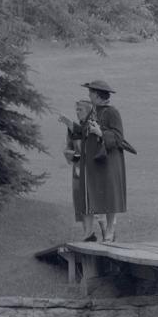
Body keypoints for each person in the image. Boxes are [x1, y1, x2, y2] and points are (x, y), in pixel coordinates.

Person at [80, 79, 129, 243]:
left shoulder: (112, 112)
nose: (89, 95)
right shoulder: (93, 111)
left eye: (91, 93)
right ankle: (103, 229)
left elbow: (118, 137)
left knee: (110, 193)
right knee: (99, 193)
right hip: (97, 161)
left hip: (110, 159)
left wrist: (100, 132)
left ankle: (110, 229)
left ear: (98, 95)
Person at [62, 98, 95, 239]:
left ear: (88, 111)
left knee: (91, 201)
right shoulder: (72, 128)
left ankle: (106, 234)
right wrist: (69, 154)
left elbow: (92, 147)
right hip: (77, 168)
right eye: (76, 109)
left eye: (80, 110)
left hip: (91, 170)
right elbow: (68, 146)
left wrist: (71, 124)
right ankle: (87, 233)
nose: (77, 112)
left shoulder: (92, 125)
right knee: (80, 200)